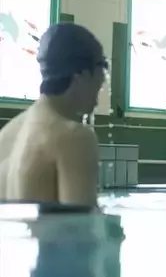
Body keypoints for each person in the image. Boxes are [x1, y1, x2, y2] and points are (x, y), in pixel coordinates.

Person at [0, 23, 107, 206]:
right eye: (101, 71)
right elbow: (82, 223)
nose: (103, 81)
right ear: (80, 76)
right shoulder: (74, 137)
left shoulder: (6, 135)